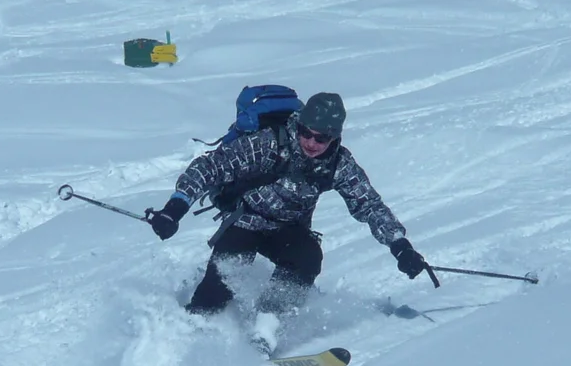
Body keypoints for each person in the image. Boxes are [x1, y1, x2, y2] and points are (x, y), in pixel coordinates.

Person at [148, 91, 426, 315]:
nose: (311, 142)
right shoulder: (268, 144)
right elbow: (210, 167)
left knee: (307, 259)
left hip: (289, 229)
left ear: (335, 137)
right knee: (219, 286)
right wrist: (174, 210)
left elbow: (369, 205)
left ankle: (268, 322)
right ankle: (195, 323)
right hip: (245, 221)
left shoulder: (339, 163)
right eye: (306, 132)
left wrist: (401, 247)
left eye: (322, 138)